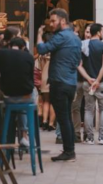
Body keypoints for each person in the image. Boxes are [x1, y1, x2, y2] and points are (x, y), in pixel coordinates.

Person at [37, 9, 82, 162]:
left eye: (53, 21)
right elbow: (77, 62)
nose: (51, 24)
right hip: (70, 82)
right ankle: (70, 151)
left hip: (60, 82)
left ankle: (69, 152)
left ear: (63, 21)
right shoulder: (76, 38)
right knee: (66, 118)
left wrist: (38, 35)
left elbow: (42, 49)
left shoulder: (62, 36)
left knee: (63, 119)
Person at [0, 37, 36, 147]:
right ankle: (24, 134)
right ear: (23, 47)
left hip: (8, 96)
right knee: (25, 104)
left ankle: (5, 139)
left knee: (3, 106)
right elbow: (31, 80)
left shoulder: (0, 54)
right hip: (26, 96)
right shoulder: (29, 57)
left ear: (9, 46)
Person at [78, 23, 103, 145]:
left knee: (88, 110)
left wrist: (88, 78)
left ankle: (89, 138)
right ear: (98, 32)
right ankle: (102, 137)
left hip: (87, 83)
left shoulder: (83, 46)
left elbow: (78, 65)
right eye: (102, 31)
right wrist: (97, 80)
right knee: (102, 109)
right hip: (101, 83)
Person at [37, 32, 56, 132]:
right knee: (53, 101)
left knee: (45, 101)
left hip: (44, 76)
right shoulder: (55, 51)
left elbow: (40, 66)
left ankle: (44, 121)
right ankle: (51, 124)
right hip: (53, 76)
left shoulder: (42, 52)